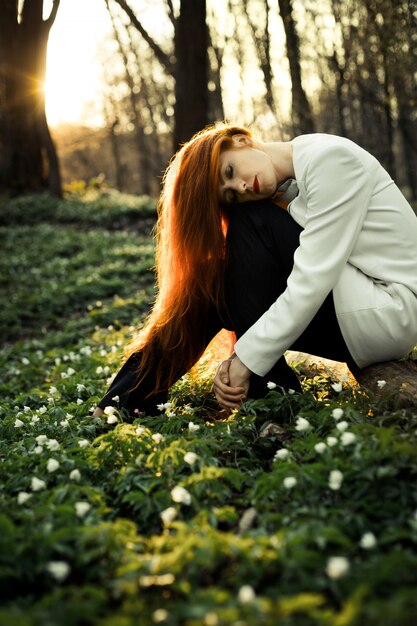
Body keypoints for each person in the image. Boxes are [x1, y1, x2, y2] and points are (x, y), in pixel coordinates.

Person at [93, 123, 417, 417]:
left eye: (230, 171)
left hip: (390, 309)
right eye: (231, 194)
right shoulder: (286, 186)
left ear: (240, 139)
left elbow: (312, 281)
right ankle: (123, 402)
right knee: (211, 283)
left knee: (249, 222)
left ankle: (271, 399)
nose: (242, 187)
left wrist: (245, 358)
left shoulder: (331, 161)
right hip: (358, 308)